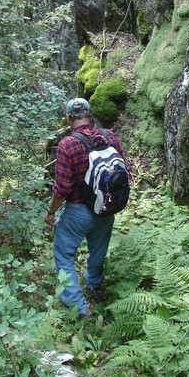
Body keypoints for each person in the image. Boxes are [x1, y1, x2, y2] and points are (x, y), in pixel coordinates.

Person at [44, 97, 128, 318]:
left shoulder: (67, 145)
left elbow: (62, 189)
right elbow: (124, 170)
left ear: (69, 119)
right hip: (107, 207)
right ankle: (93, 285)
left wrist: (51, 212)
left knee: (63, 254)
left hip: (78, 212)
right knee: (98, 249)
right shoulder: (109, 136)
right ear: (90, 114)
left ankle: (78, 307)